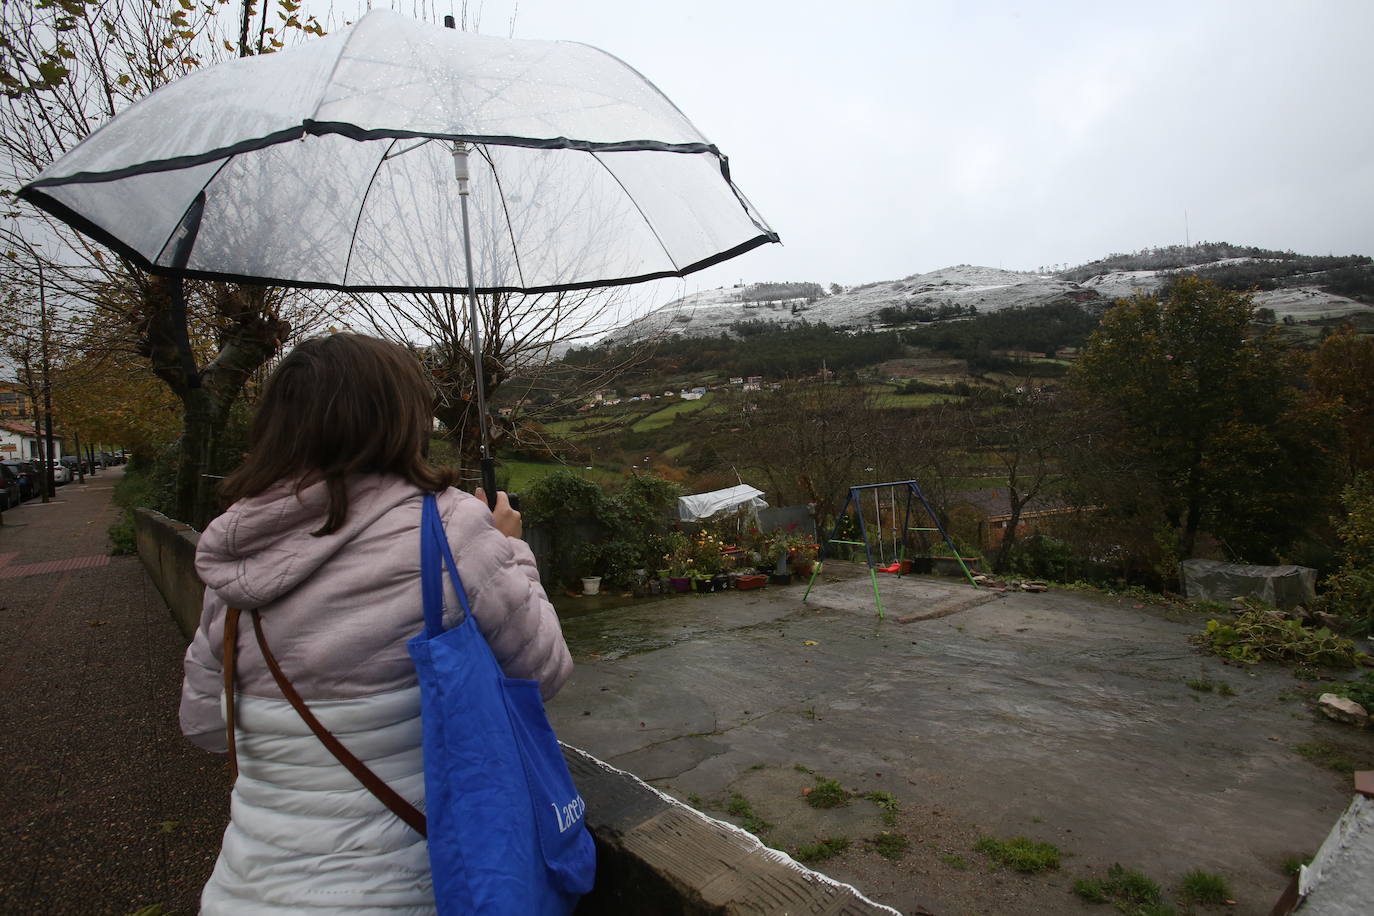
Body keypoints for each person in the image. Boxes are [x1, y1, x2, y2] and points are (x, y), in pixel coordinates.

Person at [179, 332, 572, 914]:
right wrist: (510, 549)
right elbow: (544, 673)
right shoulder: (447, 528)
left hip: (246, 892)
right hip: (411, 889)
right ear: (400, 416)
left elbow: (205, 726)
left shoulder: (239, 548)